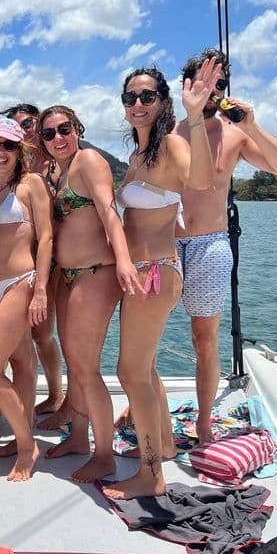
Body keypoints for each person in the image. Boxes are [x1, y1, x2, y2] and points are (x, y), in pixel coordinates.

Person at [102, 59, 219, 501]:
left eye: (147, 96)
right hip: (140, 275)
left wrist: (195, 117)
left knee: (128, 370)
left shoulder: (172, 144)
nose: (137, 103)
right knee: (145, 369)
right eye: (130, 97)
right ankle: (165, 444)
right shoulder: (136, 155)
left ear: (163, 102)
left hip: (154, 272)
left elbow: (203, 181)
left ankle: (150, 474)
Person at [176, 49, 277, 444]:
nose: (212, 90)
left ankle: (205, 419)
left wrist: (253, 125)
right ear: (187, 86)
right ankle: (143, 401)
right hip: (166, 243)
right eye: (203, 82)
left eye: (220, 84)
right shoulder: (169, 134)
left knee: (204, 339)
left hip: (210, 243)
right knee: (145, 331)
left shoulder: (234, 135)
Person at [38, 105, 144, 482]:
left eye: (63, 129)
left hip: (95, 273)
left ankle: (104, 454)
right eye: (48, 134)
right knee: (74, 363)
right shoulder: (56, 171)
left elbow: (108, 211)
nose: (57, 138)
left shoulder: (88, 161)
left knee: (86, 367)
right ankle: (79, 438)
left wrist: (124, 260)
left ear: (77, 128)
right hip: (67, 276)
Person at [0, 117, 53, 481]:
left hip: (22, 281)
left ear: (20, 151)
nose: (0, 151)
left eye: (8, 145)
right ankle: (26, 433)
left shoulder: (31, 184)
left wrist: (41, 289)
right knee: (20, 362)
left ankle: (25, 446)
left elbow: (46, 239)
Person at [0, 104, 65, 422]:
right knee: (27, 336)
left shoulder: (55, 163)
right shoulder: (14, 170)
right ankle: (32, 397)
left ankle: (57, 395)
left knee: (46, 333)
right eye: (15, 126)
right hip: (25, 261)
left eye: (28, 123)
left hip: (55, 259)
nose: (23, 130)